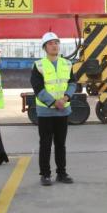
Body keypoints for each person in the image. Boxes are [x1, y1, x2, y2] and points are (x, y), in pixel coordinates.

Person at [31, 32, 77, 186]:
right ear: (45, 47)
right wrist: (53, 102)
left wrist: (65, 98)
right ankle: (45, 174)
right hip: (45, 112)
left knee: (60, 144)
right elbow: (38, 88)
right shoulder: (38, 65)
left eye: (56, 42)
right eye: (50, 43)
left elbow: (72, 83)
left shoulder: (67, 64)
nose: (54, 45)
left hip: (63, 110)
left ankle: (61, 173)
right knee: (45, 144)